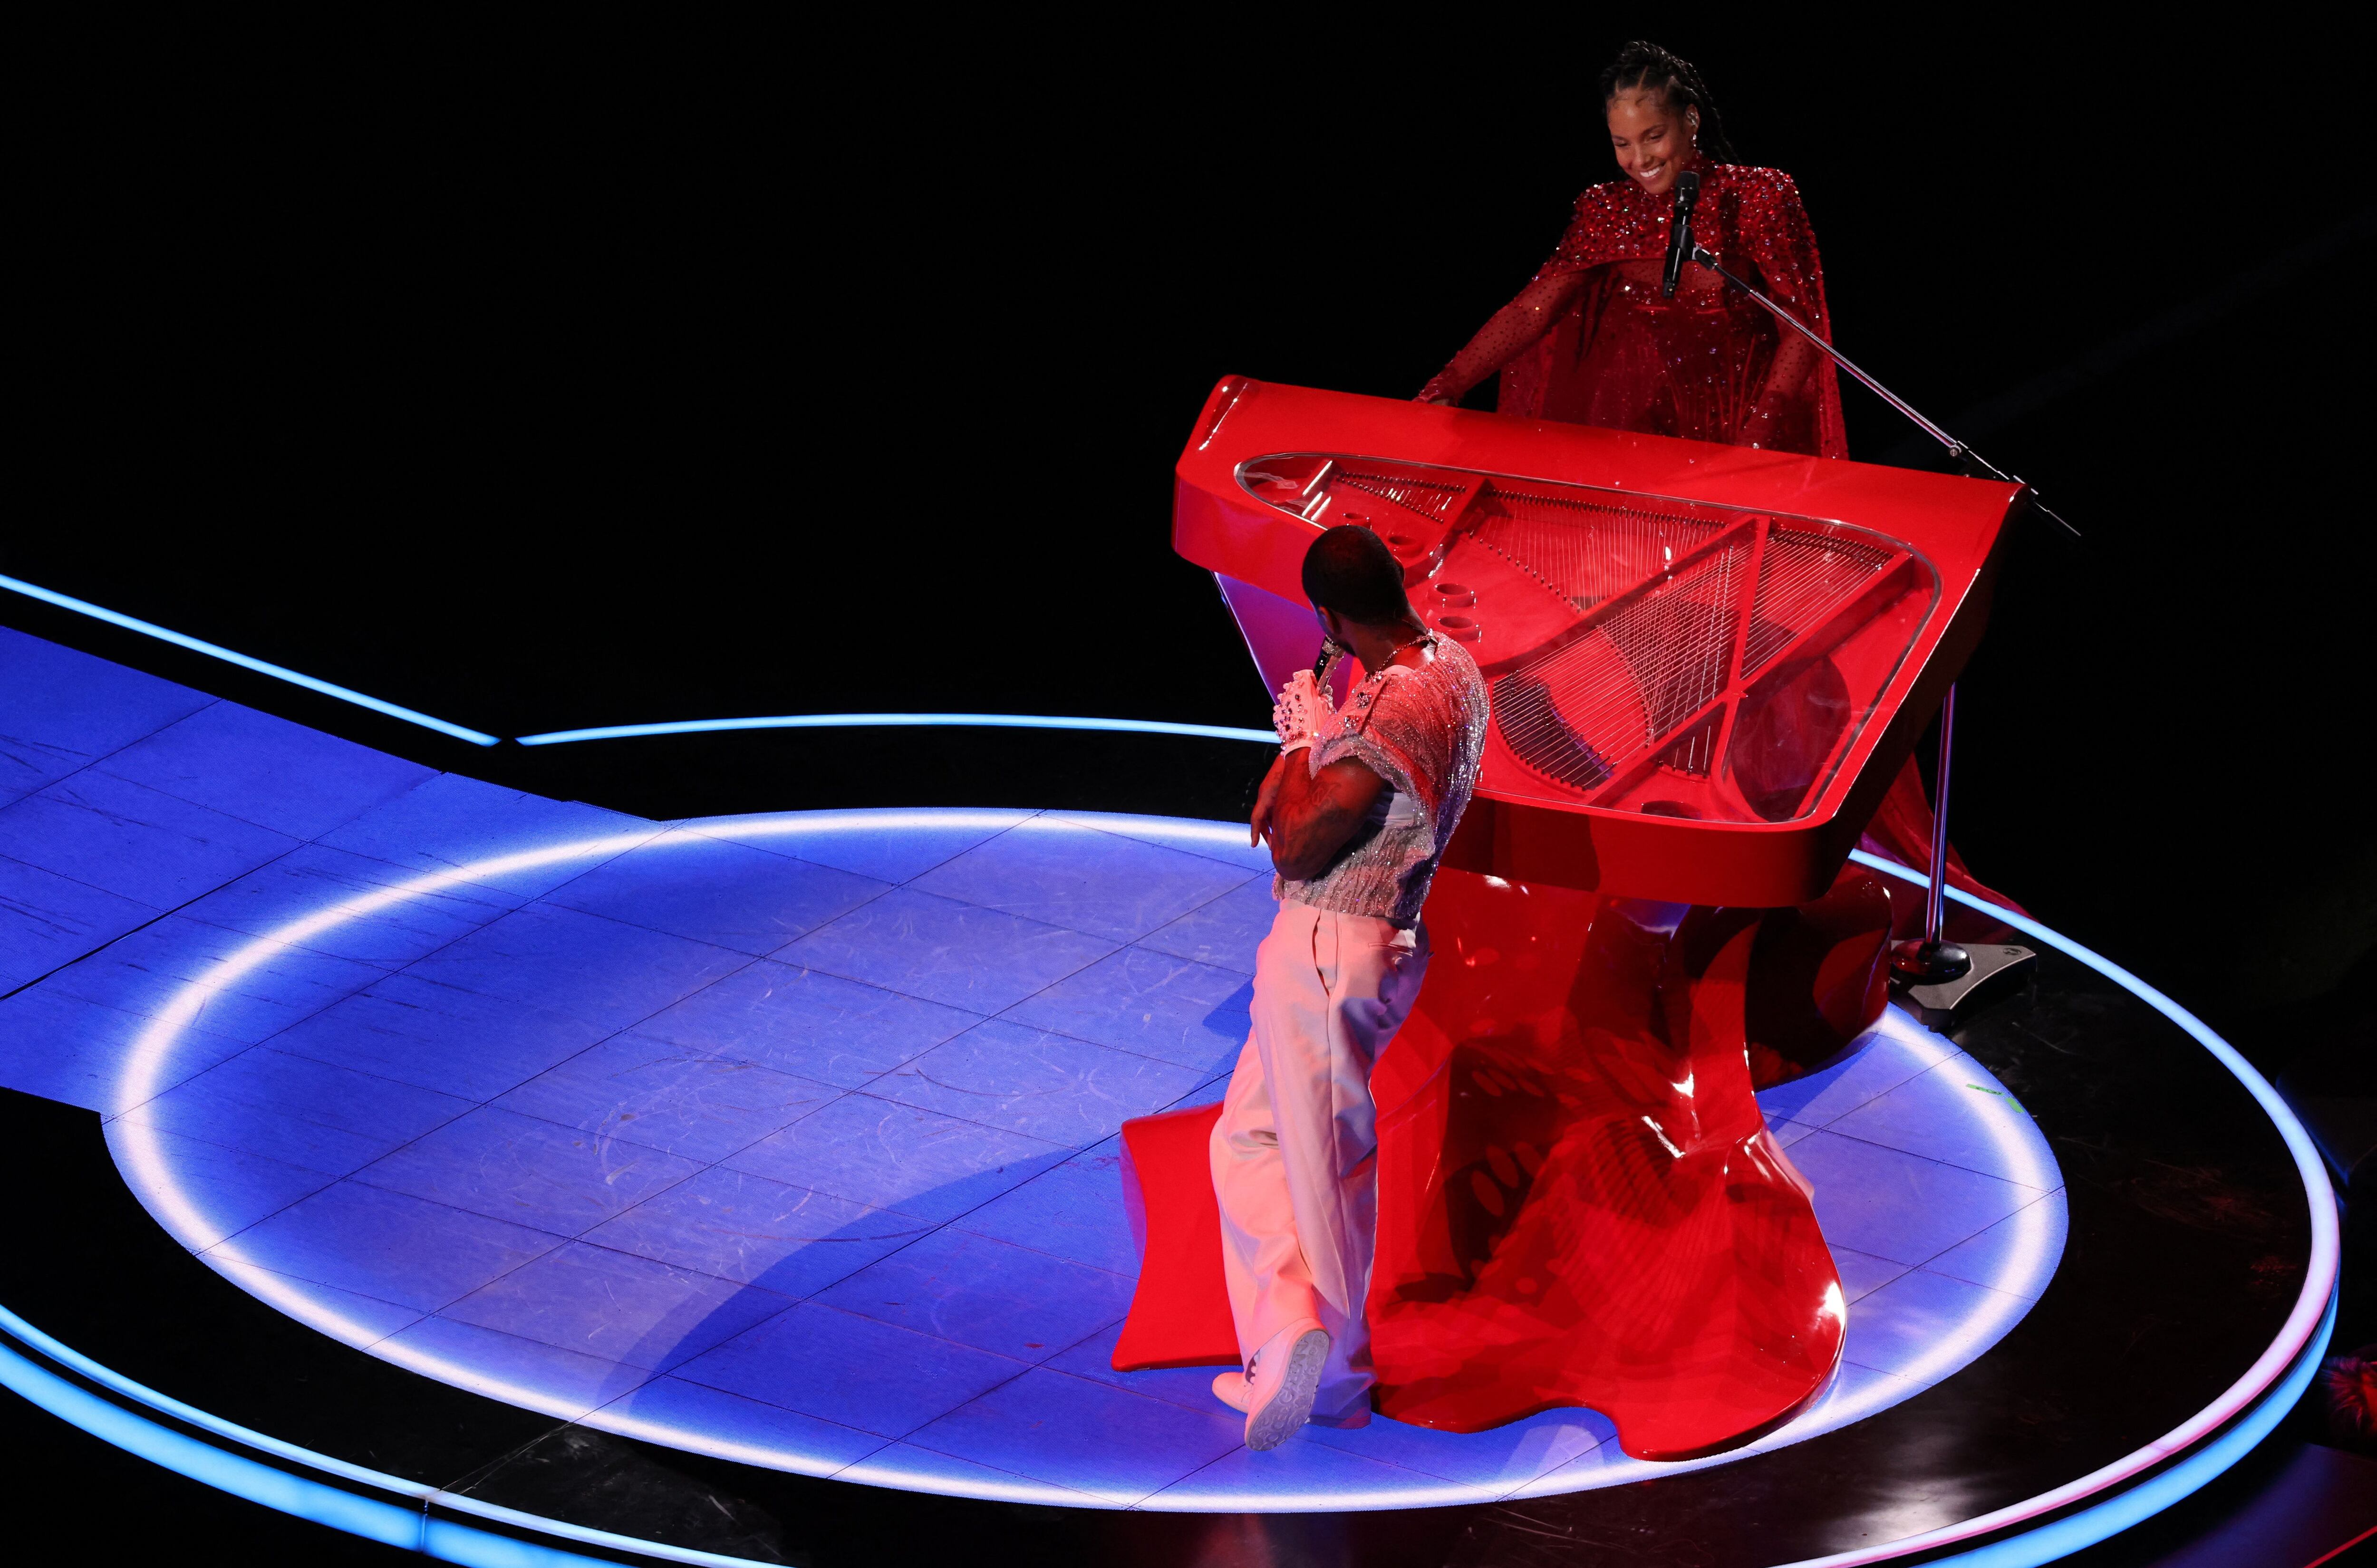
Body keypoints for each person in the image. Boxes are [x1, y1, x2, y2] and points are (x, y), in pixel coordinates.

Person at [1208, 525, 1490, 1449]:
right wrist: (1322, 742)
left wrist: (1301, 743)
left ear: (1328, 615)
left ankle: (1332, 1379)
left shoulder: (1392, 707)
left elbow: (1289, 840)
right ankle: (1287, 1335)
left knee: (1324, 1171)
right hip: (1368, 940)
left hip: (1332, 947)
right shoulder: (1455, 668)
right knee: (1247, 1138)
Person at [1416, 39, 1844, 459]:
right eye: (1622, 144)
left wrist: (1757, 436)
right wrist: (1446, 386)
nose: (1640, 159)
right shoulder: (1608, 210)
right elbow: (1531, 312)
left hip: (1762, 432)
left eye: (1653, 136)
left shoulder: (1759, 196)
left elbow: (1801, 327)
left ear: (1691, 120)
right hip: (1654, 438)